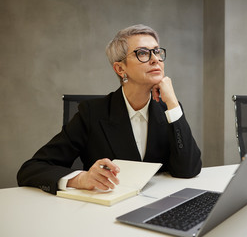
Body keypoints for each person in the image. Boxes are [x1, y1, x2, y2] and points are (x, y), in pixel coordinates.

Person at [17, 24, 202, 195]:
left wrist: (173, 103)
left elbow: (188, 169)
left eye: (157, 52)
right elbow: (31, 169)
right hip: (105, 214)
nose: (155, 59)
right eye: (143, 53)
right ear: (120, 69)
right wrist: (81, 179)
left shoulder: (168, 109)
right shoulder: (91, 113)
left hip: (158, 209)